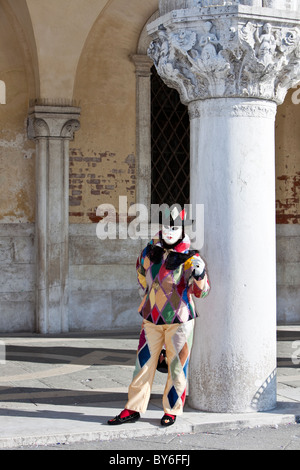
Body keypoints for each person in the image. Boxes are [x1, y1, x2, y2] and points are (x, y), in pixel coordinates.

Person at [107, 206, 210, 426]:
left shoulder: (191, 259)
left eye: (174, 227)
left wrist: (200, 274)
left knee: (176, 366)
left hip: (180, 321)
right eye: (166, 226)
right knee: (143, 364)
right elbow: (142, 278)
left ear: (182, 230)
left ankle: (172, 410)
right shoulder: (149, 252)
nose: (169, 231)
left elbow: (202, 292)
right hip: (151, 319)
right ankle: (133, 408)